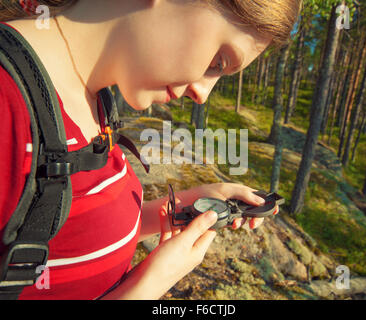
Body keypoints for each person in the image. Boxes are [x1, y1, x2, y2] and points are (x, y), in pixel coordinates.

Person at [0, 0, 302, 300]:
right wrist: (147, 287)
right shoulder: (7, 101)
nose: (202, 94)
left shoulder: (97, 102)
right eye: (218, 63)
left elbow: (68, 230)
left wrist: (189, 205)